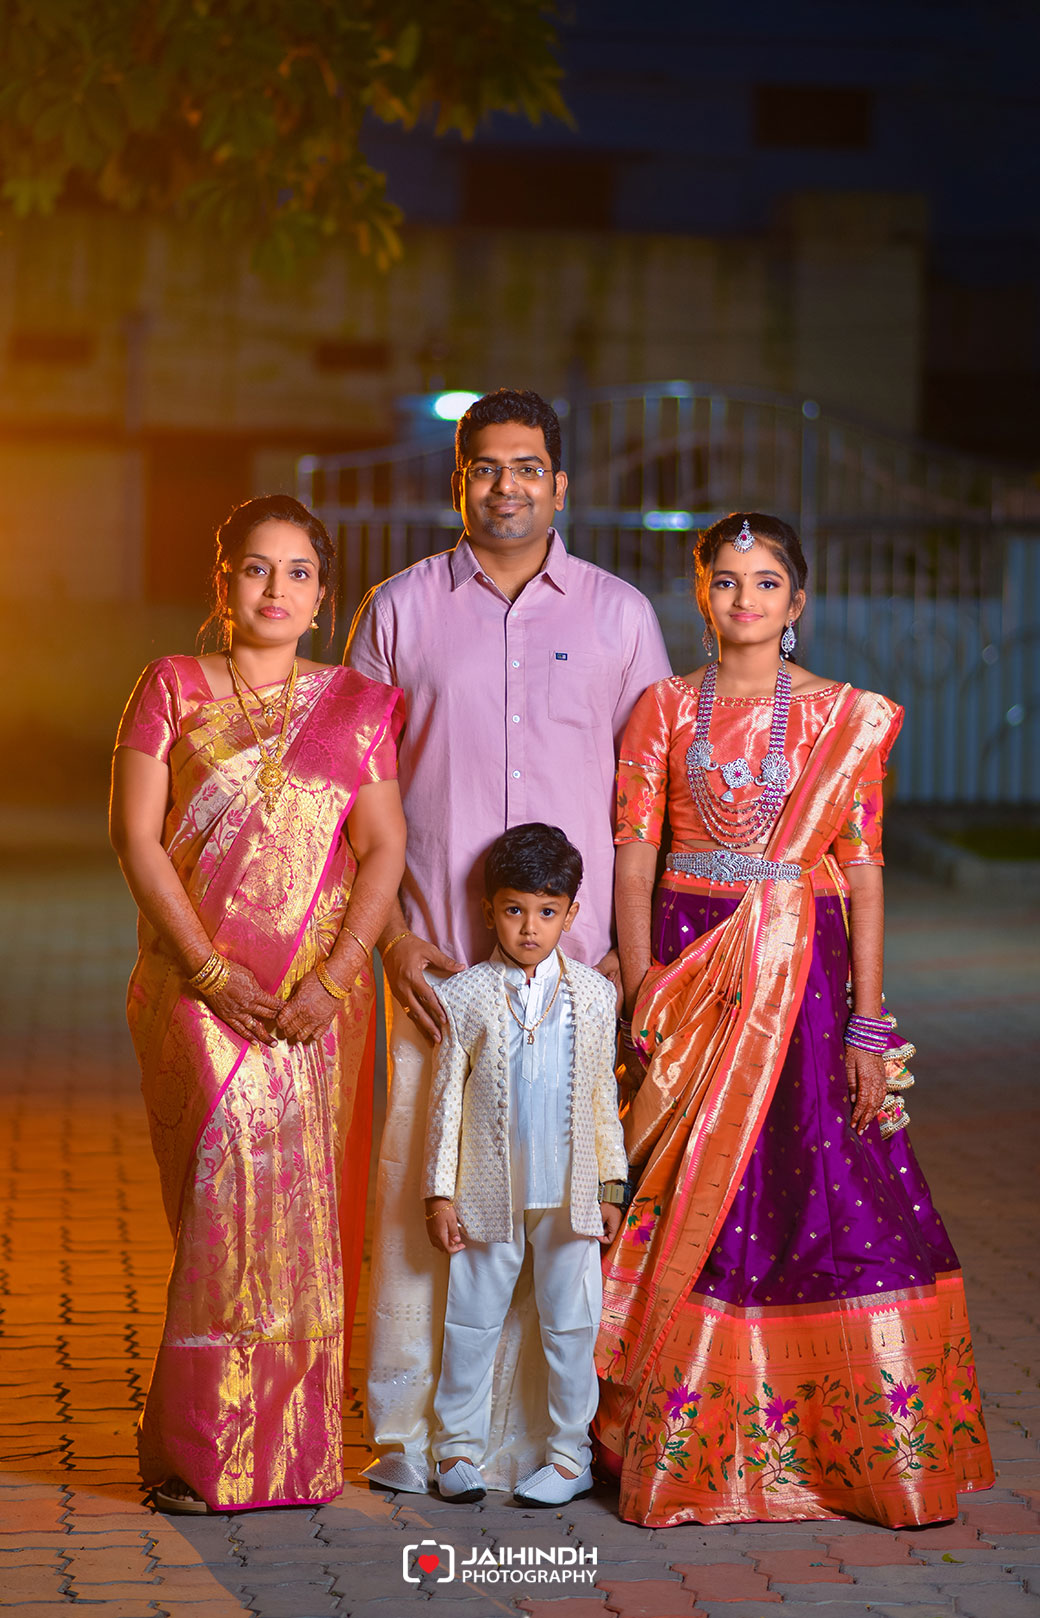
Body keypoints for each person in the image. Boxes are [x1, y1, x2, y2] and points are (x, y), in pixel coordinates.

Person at [595, 511, 995, 1527]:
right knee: (689, 1189)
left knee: (823, 1185)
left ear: (797, 601)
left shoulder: (838, 716)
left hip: (804, 976)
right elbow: (634, 858)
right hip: (691, 968)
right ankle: (681, 1441)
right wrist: (642, 988)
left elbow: (863, 870)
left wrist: (868, 1024)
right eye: (726, 580)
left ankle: (857, 1452)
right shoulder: (661, 708)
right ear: (702, 593)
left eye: (766, 582)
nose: (745, 599)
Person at [345, 387, 670, 1492]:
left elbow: (648, 805)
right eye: (485, 466)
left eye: (528, 466)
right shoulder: (398, 611)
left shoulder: (620, 618)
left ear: (561, 484)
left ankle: (545, 1442)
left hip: (576, 983)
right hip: (438, 971)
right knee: (423, 1201)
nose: (506, 486)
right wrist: (391, 939)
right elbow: (353, 794)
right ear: (458, 482)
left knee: (556, 1215)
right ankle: (411, 1434)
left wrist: (627, 954)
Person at [110, 494, 406, 1513]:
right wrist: (206, 970)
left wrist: (336, 977)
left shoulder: (356, 706)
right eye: (256, 568)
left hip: (316, 997)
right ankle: (205, 1451)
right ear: (223, 582)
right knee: (223, 1208)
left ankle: (291, 1456)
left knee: (301, 1214)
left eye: (298, 572)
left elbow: (383, 848)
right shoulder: (170, 686)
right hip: (199, 988)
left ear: (322, 596)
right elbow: (136, 838)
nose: (276, 588)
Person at [422, 824, 627, 1507]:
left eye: (547, 911)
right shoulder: (465, 994)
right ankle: (456, 1450)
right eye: (515, 910)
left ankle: (570, 1457)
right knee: (471, 1321)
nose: (530, 927)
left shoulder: (595, 996)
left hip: (570, 1195)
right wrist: (439, 1194)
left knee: (572, 1325)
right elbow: (445, 1101)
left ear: (572, 913)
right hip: (488, 1193)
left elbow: (602, 1098)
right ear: (490, 911)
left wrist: (611, 1186)